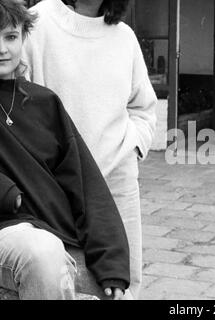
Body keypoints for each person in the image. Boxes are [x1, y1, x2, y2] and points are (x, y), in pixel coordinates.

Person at [23, 0, 158, 299]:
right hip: (56, 182)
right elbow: (19, 98)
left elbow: (144, 108)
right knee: (68, 280)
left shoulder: (124, 37)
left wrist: (131, 147)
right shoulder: (40, 21)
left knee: (125, 283)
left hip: (116, 181)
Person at [0, 0, 130, 300]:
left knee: (118, 292)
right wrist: (8, 194)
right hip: (15, 235)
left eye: (11, 36)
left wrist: (111, 262)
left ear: (22, 39)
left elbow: (86, 184)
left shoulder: (44, 102)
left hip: (56, 234)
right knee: (42, 254)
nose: (3, 48)